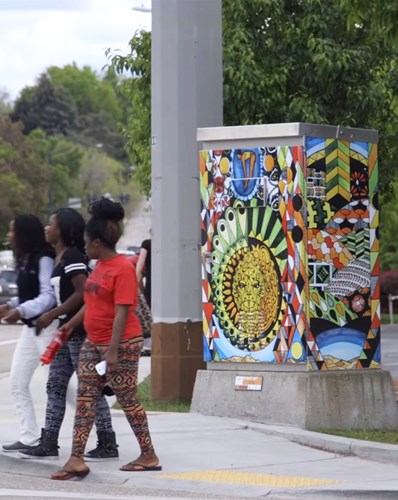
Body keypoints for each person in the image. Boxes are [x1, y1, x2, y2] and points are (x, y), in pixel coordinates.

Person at [51, 198, 161, 481]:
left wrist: (112, 352)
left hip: (121, 344)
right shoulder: (99, 266)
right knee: (86, 398)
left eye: (88, 243)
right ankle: (76, 459)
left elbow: (122, 313)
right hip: (93, 342)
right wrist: (70, 325)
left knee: (127, 398)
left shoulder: (122, 268)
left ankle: (148, 455)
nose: (84, 247)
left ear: (98, 243)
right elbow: (92, 302)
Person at [19, 208, 118, 461]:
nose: (46, 228)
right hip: (67, 331)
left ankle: (108, 442)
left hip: (79, 331)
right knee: (55, 384)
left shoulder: (73, 256)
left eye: (50, 224)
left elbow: (84, 292)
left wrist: (55, 314)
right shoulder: (59, 257)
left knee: (89, 387)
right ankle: (49, 441)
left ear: (62, 229)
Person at [0, 215, 57, 453]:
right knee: (17, 382)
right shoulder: (24, 259)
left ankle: (103, 431)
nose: (9, 235)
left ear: (24, 233)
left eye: (13, 231)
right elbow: (28, 294)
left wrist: (20, 309)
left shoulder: (44, 258)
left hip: (47, 328)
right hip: (30, 328)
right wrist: (11, 305)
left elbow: (48, 296)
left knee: (66, 387)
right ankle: (29, 436)